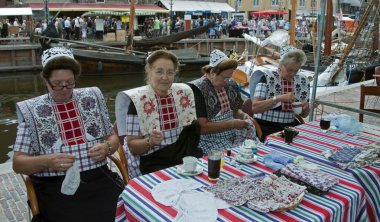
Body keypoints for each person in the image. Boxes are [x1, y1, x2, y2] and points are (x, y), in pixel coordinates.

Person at [12, 47, 123, 222]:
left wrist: (107, 147)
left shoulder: (90, 98)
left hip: (98, 178)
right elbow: (18, 164)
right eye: (57, 84)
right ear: (46, 81)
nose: (64, 89)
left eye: (70, 82)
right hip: (55, 187)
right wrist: (47, 161)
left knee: (124, 208)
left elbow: (113, 138)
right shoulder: (31, 111)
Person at [115, 50, 203, 179]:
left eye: (170, 72)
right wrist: (150, 141)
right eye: (159, 71)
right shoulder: (139, 101)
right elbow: (133, 146)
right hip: (150, 162)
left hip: (179, 159)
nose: (165, 77)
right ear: (149, 71)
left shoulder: (183, 94)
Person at [188, 49, 257, 154]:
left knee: (252, 150)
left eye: (229, 78)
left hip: (232, 136)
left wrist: (242, 115)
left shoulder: (230, 84)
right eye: (224, 78)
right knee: (238, 155)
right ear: (212, 73)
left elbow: (234, 111)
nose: (226, 82)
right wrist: (232, 124)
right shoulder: (198, 89)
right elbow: (203, 128)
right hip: (209, 141)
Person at [251, 46, 310, 141]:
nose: (293, 74)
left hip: (289, 126)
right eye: (289, 70)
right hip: (265, 125)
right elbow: (255, 108)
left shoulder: (302, 80)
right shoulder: (267, 77)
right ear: (280, 65)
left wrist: (306, 107)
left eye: (296, 71)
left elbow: (304, 115)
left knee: (306, 142)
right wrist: (278, 98)